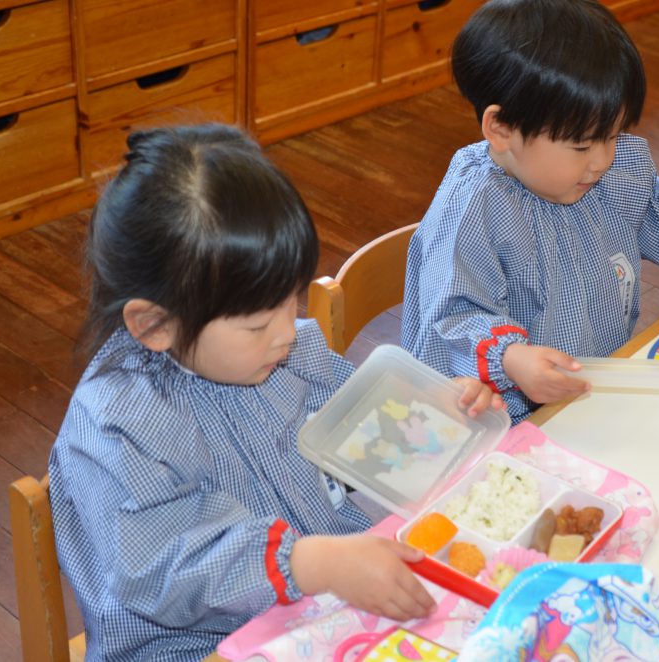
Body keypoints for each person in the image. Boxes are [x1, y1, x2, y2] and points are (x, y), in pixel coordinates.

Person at [48, 124, 500, 660]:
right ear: (154, 325)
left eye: (291, 302)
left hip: (321, 598)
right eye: (258, 324)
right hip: (196, 646)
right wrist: (309, 562)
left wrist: (434, 412)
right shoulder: (117, 426)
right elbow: (165, 569)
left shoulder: (286, 352)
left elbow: (365, 428)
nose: (288, 332)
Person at [400, 0, 659, 422]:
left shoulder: (602, 176)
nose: (602, 160)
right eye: (582, 145)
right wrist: (511, 359)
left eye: (614, 135)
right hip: (506, 420)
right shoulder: (474, 209)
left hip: (592, 391)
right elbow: (452, 315)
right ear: (502, 129)